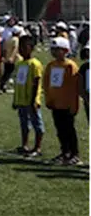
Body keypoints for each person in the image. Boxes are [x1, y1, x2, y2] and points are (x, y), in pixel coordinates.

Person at [41, 37, 80, 165]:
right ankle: (64, 152)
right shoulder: (51, 66)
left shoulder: (70, 66)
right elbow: (47, 84)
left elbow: (75, 87)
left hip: (67, 104)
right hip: (55, 104)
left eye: (57, 50)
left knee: (69, 130)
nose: (54, 52)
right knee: (60, 130)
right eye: (53, 50)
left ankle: (74, 154)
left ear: (65, 50)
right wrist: (48, 99)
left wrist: (74, 105)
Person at [12, 33, 44, 157]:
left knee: (37, 124)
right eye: (20, 47)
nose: (21, 49)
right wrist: (15, 100)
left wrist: (34, 100)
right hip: (21, 100)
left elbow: (36, 83)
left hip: (31, 101)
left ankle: (37, 147)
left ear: (31, 48)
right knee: (24, 124)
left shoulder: (35, 64)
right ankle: (24, 145)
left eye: (24, 47)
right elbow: (18, 83)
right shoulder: (20, 64)